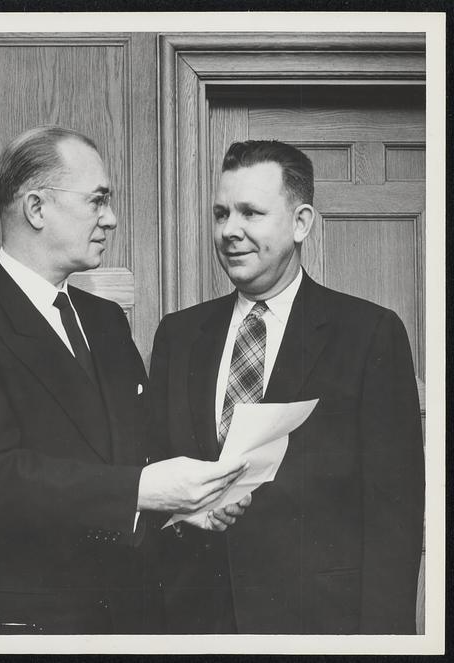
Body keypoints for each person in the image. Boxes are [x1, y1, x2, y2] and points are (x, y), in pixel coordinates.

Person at [0, 126, 249, 634]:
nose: (110, 218)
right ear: (36, 208)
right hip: (33, 625)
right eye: (97, 200)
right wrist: (145, 489)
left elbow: (131, 456)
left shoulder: (105, 319)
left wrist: (182, 510)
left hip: (132, 614)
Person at [149, 140, 425, 634]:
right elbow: (149, 469)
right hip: (192, 621)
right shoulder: (178, 334)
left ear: (300, 223)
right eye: (220, 213)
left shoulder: (369, 333)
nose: (229, 231)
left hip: (316, 625)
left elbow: (394, 515)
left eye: (250, 213)